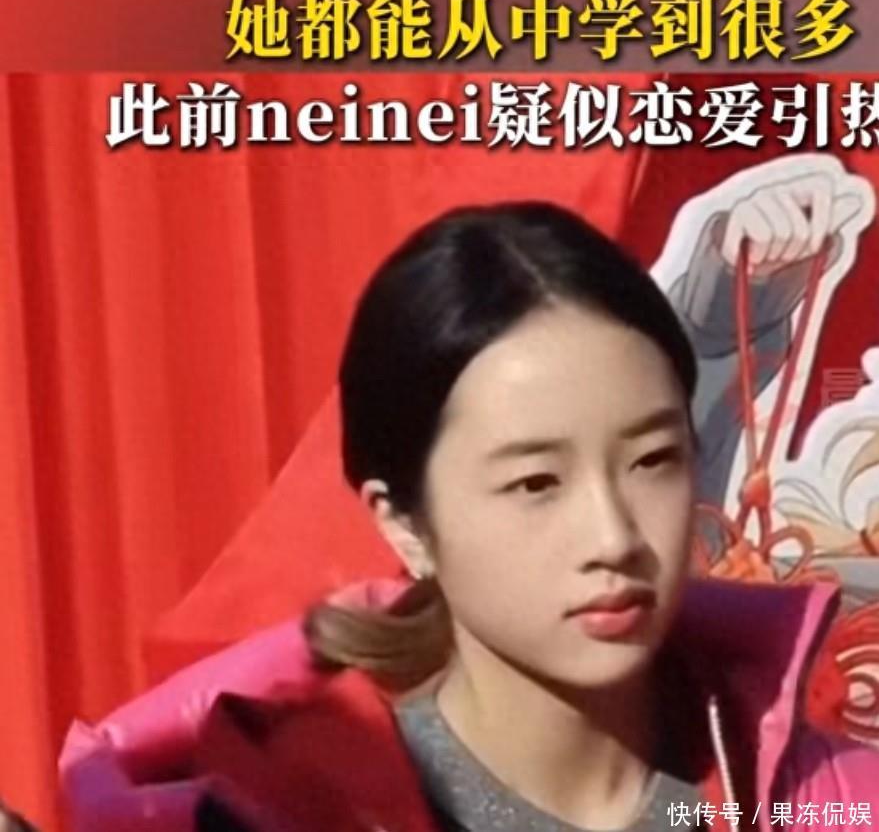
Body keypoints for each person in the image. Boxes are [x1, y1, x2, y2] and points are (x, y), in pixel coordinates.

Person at [60, 202, 879, 832]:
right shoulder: (277, 812)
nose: (613, 537)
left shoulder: (833, 800)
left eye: (651, 461)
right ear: (403, 524)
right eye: (535, 483)